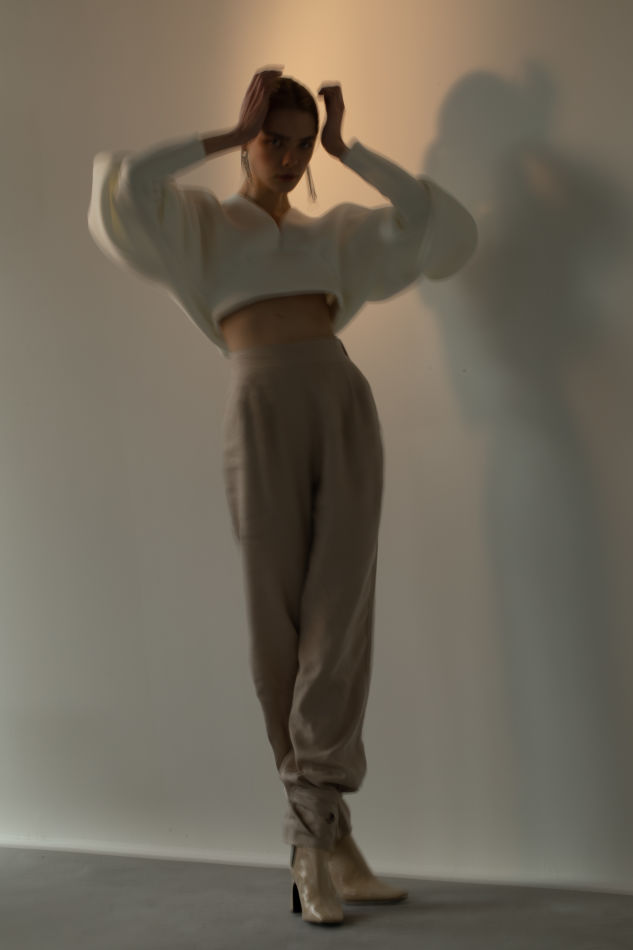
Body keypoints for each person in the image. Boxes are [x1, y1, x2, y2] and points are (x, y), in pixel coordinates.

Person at [87, 66, 478, 927]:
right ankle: (323, 840)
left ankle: (315, 844)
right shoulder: (201, 221)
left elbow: (427, 221)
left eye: (303, 144)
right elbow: (131, 182)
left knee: (339, 618)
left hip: (339, 402)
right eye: (276, 139)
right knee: (277, 626)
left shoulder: (330, 231)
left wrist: (349, 149)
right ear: (250, 137)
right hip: (258, 402)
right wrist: (226, 136)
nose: (292, 158)